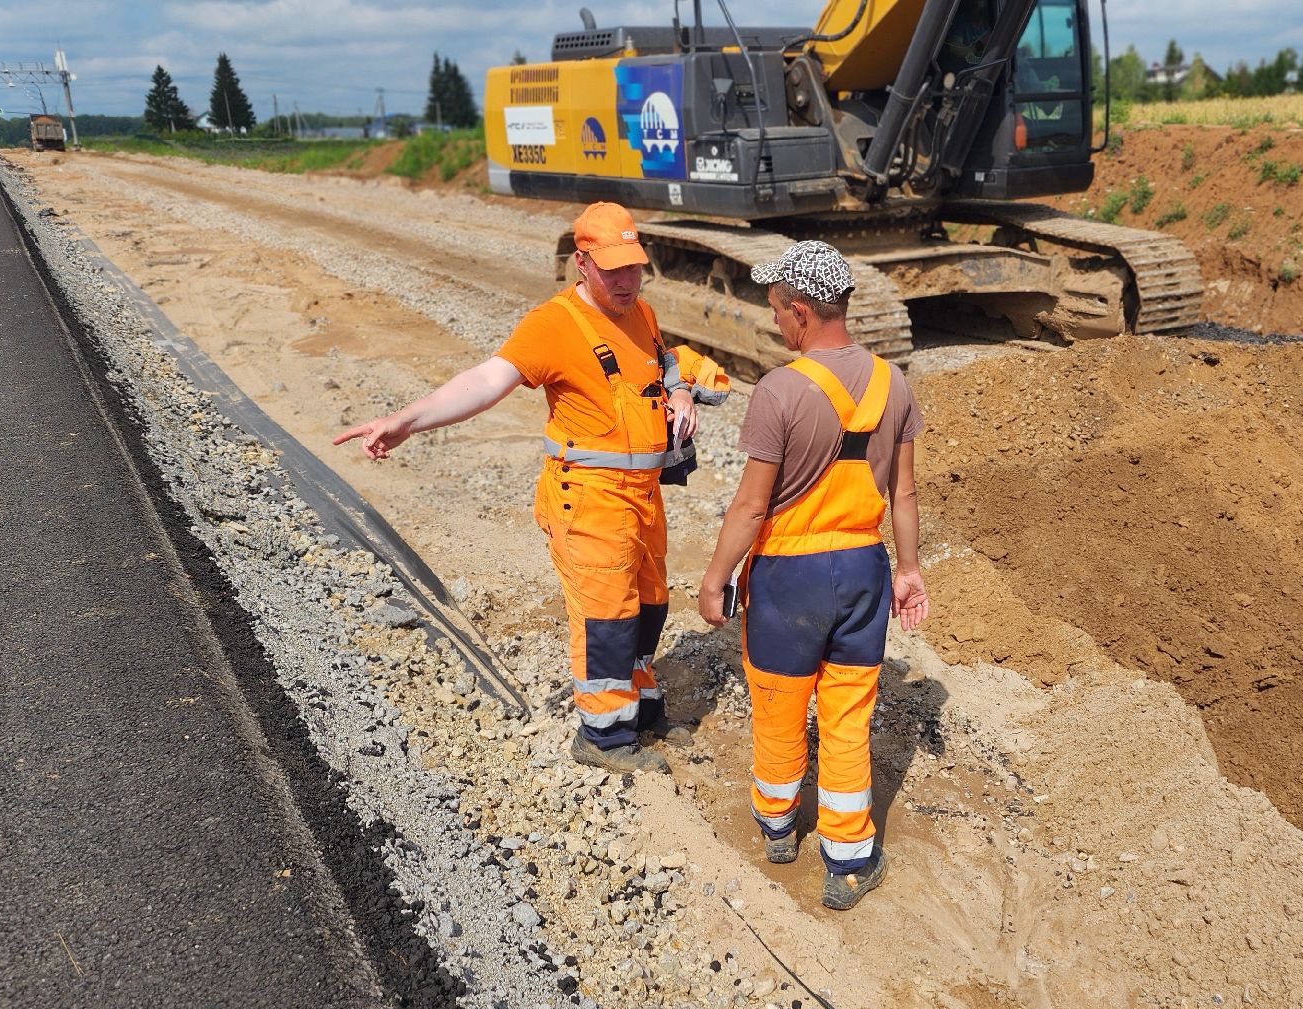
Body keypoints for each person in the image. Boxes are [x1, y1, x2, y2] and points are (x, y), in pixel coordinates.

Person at [336, 202, 727, 773]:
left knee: (649, 603)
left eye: (634, 267)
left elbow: (659, 363)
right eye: (612, 269)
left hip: (642, 495)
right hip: (590, 497)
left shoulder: (639, 312)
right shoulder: (554, 324)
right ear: (583, 263)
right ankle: (603, 738)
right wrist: (407, 421)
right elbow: (487, 380)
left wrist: (682, 390)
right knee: (606, 616)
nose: (625, 280)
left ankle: (639, 709)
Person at [698, 241, 929, 911]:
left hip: (788, 579)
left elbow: (750, 506)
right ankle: (849, 861)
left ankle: (777, 827)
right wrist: (909, 570)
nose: (774, 321)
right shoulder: (896, 384)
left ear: (800, 312)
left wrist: (717, 576)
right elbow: (905, 497)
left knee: (778, 706)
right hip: (862, 570)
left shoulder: (780, 390)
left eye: (775, 309)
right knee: (848, 716)